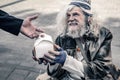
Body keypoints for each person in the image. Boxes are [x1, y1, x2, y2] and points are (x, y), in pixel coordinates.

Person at [33, 0, 120, 80]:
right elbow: (56, 75)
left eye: (75, 14)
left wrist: (66, 60)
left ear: (89, 18)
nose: (70, 19)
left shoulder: (103, 35)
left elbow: (101, 69)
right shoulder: (62, 38)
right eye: (68, 15)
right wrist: (53, 62)